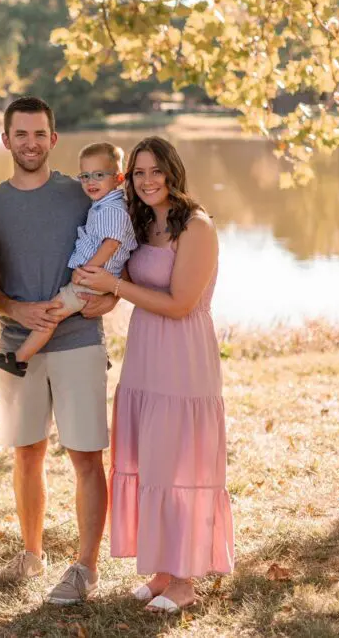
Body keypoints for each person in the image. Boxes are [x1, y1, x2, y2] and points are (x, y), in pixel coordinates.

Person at [75, 136, 235, 613]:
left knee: (179, 462)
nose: (147, 181)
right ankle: (163, 571)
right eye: (139, 172)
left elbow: (181, 302)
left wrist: (116, 285)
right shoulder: (142, 224)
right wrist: (102, 294)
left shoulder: (197, 226)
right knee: (151, 460)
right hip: (145, 354)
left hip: (183, 358)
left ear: (173, 172)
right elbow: (124, 282)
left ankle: (185, 580)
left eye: (155, 171)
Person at [0, 96, 120, 606]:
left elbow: (117, 254)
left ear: (53, 139)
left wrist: (107, 299)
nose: (31, 143)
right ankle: (31, 552)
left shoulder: (84, 196)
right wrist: (14, 309)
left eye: (40, 134)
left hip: (78, 342)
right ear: (6, 140)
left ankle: (85, 567)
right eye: (21, 134)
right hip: (18, 347)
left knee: (85, 456)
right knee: (27, 454)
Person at [0, 142, 136, 376]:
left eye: (98, 175)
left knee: (51, 313)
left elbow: (112, 244)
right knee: (55, 312)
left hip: (91, 281)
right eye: (84, 176)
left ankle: (19, 359)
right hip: (91, 280)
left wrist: (87, 270)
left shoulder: (112, 210)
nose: (90, 182)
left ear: (118, 178)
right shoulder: (102, 204)